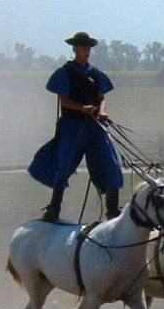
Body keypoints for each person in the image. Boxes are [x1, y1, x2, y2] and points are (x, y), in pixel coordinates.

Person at [28, 31, 124, 222]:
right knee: (64, 164)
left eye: (87, 49)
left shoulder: (96, 74)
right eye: (81, 48)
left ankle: (112, 211)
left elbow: (101, 98)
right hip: (72, 127)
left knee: (111, 163)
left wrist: (102, 111)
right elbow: (64, 100)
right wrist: (81, 108)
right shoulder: (65, 72)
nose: (85, 52)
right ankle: (54, 208)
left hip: (95, 127)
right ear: (74, 49)